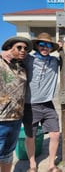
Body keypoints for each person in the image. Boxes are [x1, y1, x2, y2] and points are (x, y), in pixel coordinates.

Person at [22, 32, 62, 172]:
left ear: (51, 47)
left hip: (47, 104)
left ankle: (51, 164)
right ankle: (32, 164)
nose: (45, 47)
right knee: (30, 136)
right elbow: (13, 58)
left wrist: (63, 48)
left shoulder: (55, 61)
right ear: (37, 46)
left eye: (48, 45)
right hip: (30, 105)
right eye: (42, 44)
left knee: (55, 134)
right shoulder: (28, 59)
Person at [0, 36, 32, 172]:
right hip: (1, 119)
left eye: (25, 48)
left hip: (16, 118)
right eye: (19, 47)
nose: (23, 50)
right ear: (9, 48)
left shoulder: (22, 67)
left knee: (7, 154)